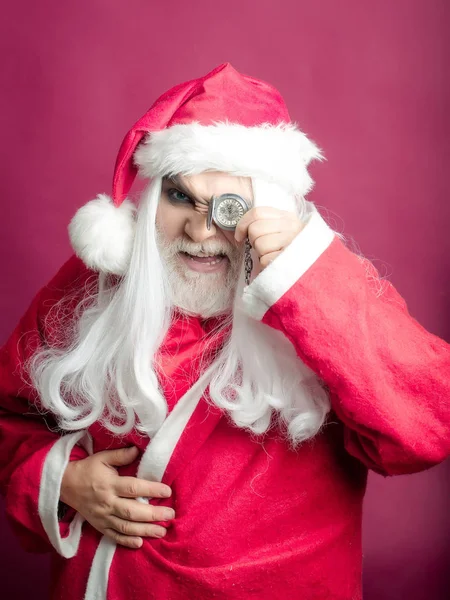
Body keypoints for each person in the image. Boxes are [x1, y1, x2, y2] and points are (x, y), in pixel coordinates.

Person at [0, 62, 449, 600]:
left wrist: (309, 276)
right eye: (180, 197)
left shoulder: (327, 295)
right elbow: (11, 413)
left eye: (228, 206)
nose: (200, 230)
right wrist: (62, 480)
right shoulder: (97, 283)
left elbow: (427, 426)